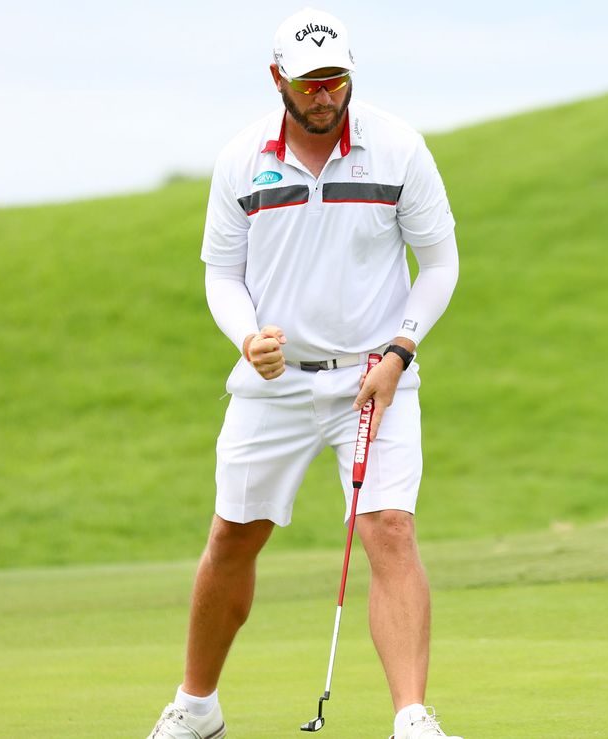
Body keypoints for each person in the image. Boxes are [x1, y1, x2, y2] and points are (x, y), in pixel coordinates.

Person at [147, 8, 462, 739]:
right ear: (278, 80)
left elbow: (440, 264)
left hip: (374, 378)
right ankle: (197, 707)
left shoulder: (397, 148)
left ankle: (412, 716)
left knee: (389, 529)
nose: (325, 95)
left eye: (337, 80)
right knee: (233, 535)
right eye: (310, 83)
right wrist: (248, 336)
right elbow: (221, 276)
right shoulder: (240, 160)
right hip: (274, 383)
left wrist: (400, 351)